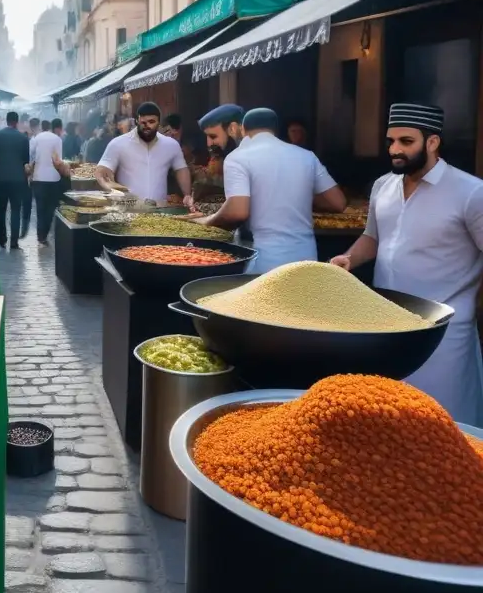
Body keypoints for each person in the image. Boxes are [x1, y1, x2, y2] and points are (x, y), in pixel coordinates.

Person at [330, 103, 483, 425]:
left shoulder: (470, 192)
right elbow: (373, 238)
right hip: (387, 324)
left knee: (446, 424)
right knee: (391, 424)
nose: (395, 150)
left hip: (446, 331)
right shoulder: (383, 186)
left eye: (406, 141)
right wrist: (349, 259)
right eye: (391, 141)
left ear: (432, 142)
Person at [195, 108, 345, 274]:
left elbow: (237, 212)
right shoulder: (307, 156)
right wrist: (298, 193)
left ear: (242, 129)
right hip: (307, 258)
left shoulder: (238, 158)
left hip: (266, 261)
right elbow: (338, 202)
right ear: (274, 130)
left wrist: (206, 222)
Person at [96, 102, 193, 207]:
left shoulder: (171, 145)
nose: (147, 126)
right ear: (137, 121)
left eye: (152, 122)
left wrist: (187, 195)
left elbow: (181, 169)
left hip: (160, 211)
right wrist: (115, 189)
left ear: (159, 123)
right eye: (143, 122)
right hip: (127, 210)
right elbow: (102, 173)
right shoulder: (118, 144)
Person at [0, 111, 30, 249]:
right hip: (18, 179)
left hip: (1, 178)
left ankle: (2, 239)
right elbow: (26, 160)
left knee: (1, 209)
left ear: (6, 121)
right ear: (16, 122)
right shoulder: (23, 138)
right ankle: (14, 241)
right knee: (16, 209)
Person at [30, 117, 66, 246]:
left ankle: (40, 235)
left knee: (40, 208)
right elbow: (59, 160)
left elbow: (31, 156)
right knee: (50, 208)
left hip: (38, 177)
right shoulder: (57, 139)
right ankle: (44, 235)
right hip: (53, 178)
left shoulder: (36, 138)